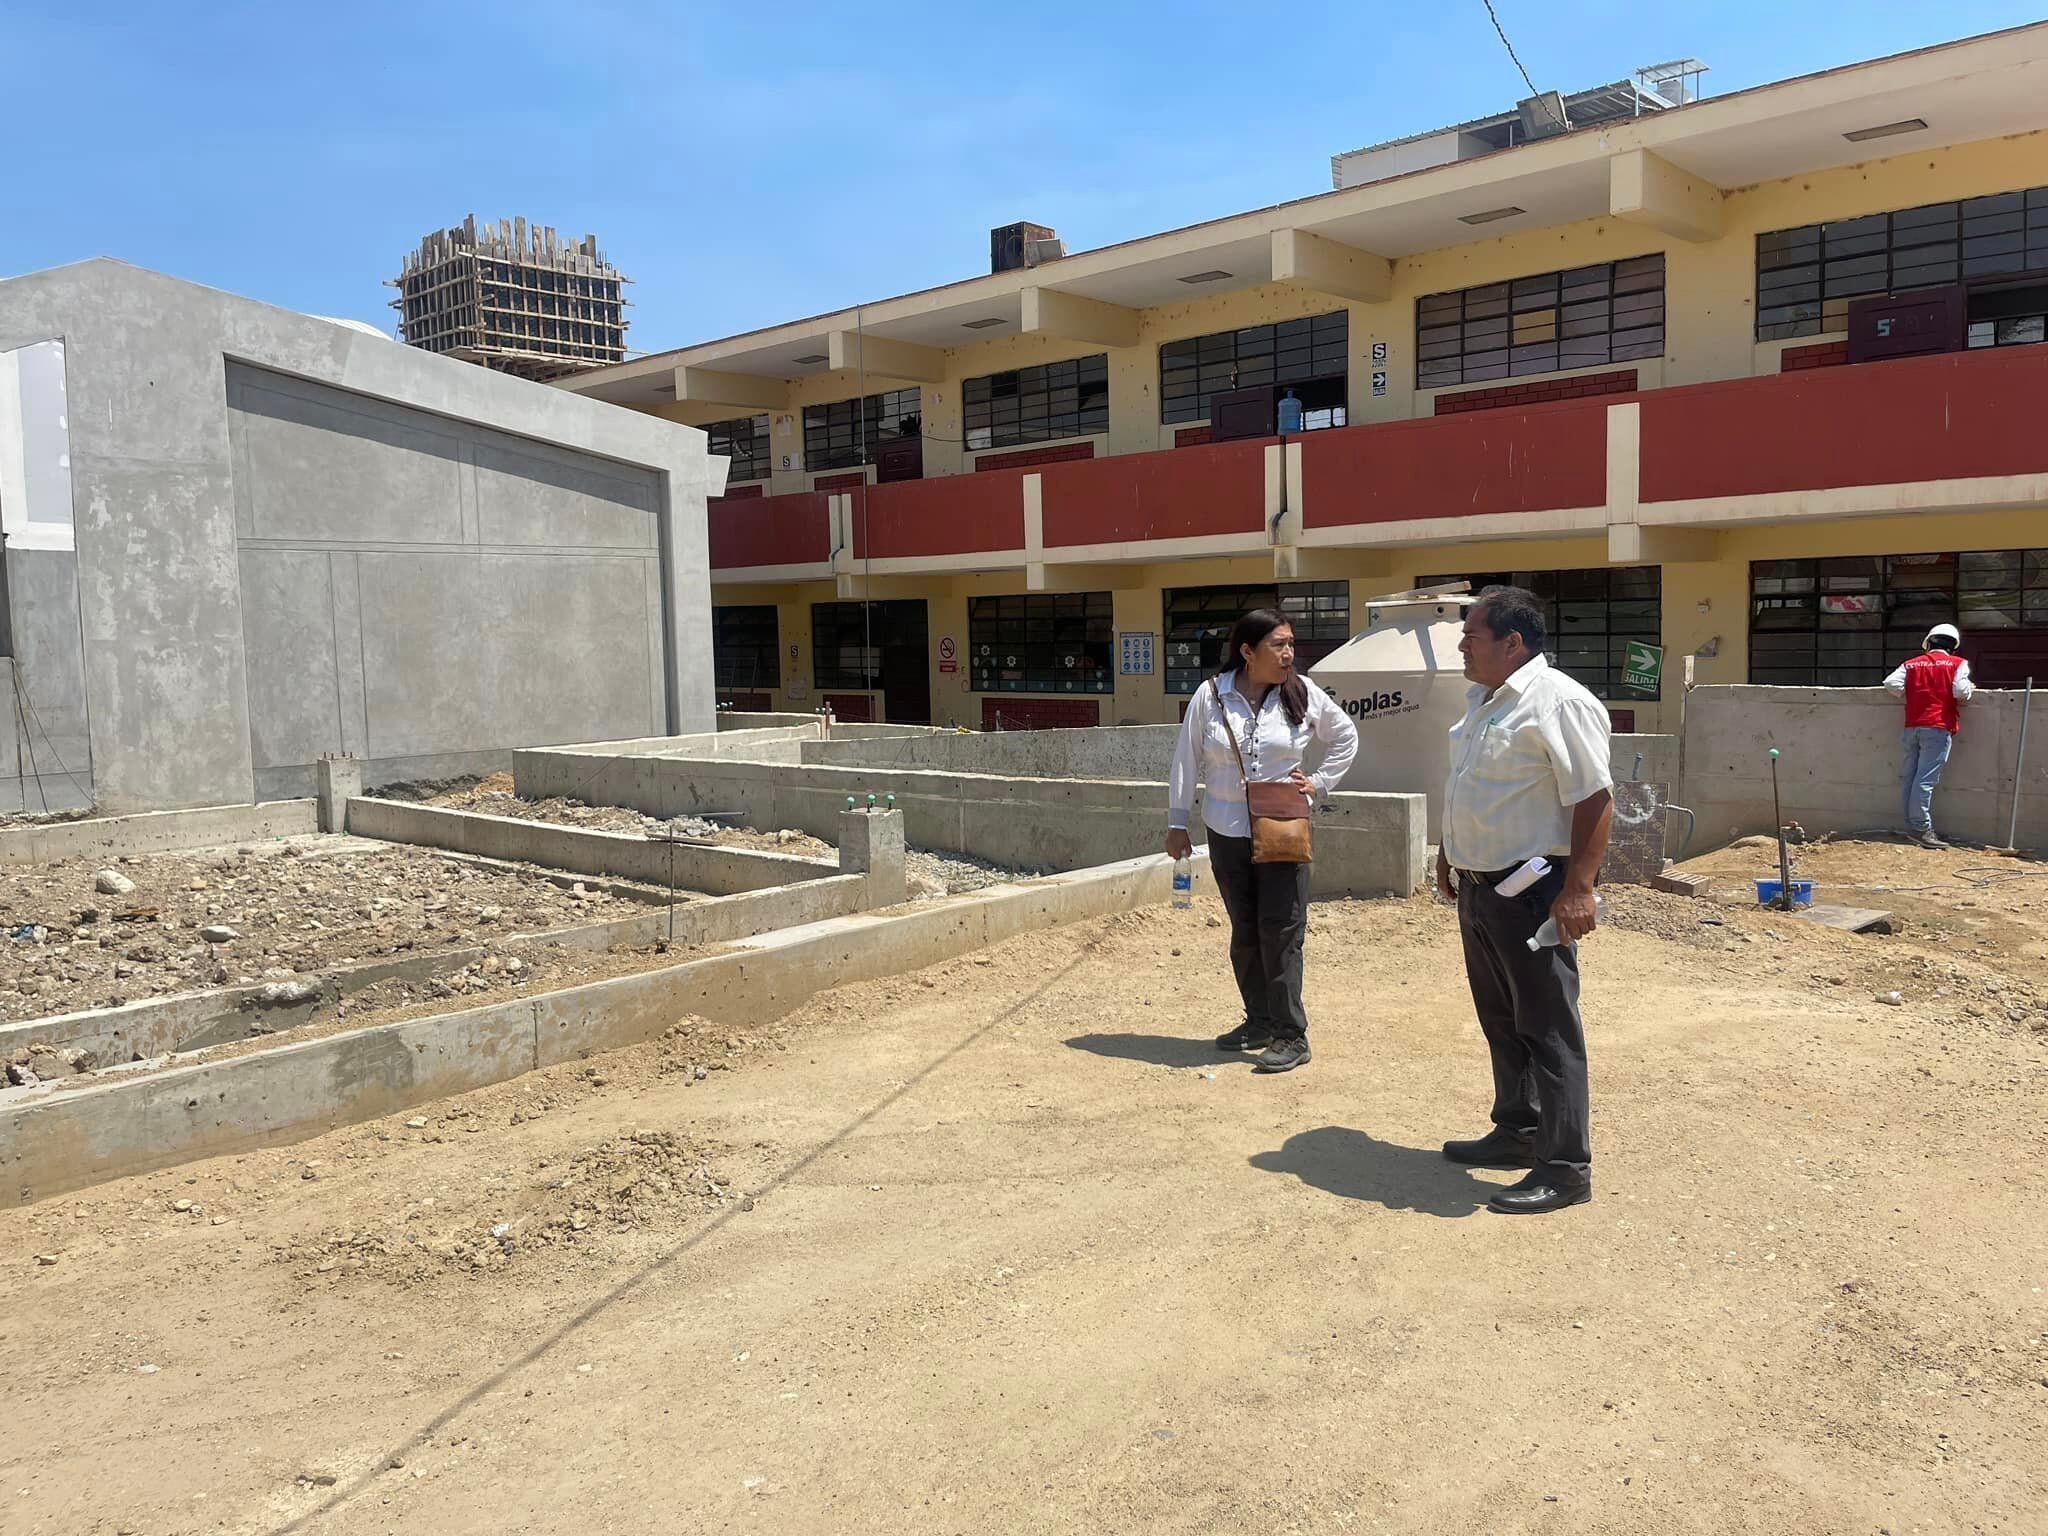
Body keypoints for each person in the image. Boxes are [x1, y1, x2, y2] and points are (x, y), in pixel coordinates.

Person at [1433, 587, 1613, 1215]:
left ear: (1513, 643)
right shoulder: (1485, 702)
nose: (1461, 645)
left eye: (1471, 635)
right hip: (1482, 889)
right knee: (1502, 1020)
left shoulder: (1559, 702)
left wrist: (1579, 889)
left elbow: (1594, 798)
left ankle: (1565, 1169)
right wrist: (1449, 853)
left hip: (1533, 889)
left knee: (1548, 1028)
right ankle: (1518, 1129)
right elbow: (1472, 787)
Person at [1166, 609, 1358, 1073]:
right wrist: (1177, 821)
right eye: (1279, 644)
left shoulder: (1303, 693)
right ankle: (1258, 1020)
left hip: (1282, 827)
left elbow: (1345, 737)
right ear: (1248, 652)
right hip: (1226, 828)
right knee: (1246, 931)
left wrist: (1318, 783)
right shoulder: (1211, 696)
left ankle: (1291, 1034)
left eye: (1291, 643)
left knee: (1282, 929)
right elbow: (1186, 758)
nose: (1289, 652)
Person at [1884, 623, 1975, 850]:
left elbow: (1890, 683)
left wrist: (1914, 694)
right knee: (1925, 780)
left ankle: (1912, 826)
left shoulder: (1912, 664)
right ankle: (1922, 829)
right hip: (1938, 727)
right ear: (1953, 646)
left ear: (1929, 642)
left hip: (1912, 726)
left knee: (1910, 777)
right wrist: (1970, 688)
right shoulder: (1957, 664)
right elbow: (1961, 692)